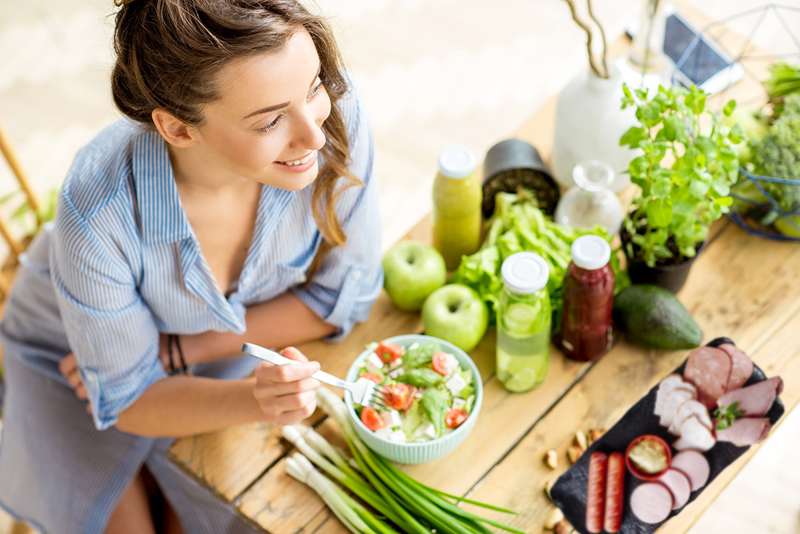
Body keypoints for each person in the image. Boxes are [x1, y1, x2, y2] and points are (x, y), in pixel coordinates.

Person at [0, 0, 383, 532]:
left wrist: (184, 350)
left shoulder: (332, 120)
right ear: (178, 128)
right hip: (69, 358)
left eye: (314, 85)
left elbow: (346, 294)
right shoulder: (96, 211)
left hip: (205, 353)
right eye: (271, 120)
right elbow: (132, 396)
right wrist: (256, 397)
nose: (314, 136)